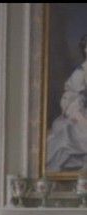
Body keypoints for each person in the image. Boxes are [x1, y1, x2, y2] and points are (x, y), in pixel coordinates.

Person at [45, 34, 87, 173]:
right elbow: (71, 97)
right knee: (70, 131)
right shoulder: (80, 73)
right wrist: (78, 115)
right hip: (80, 113)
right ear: (85, 50)